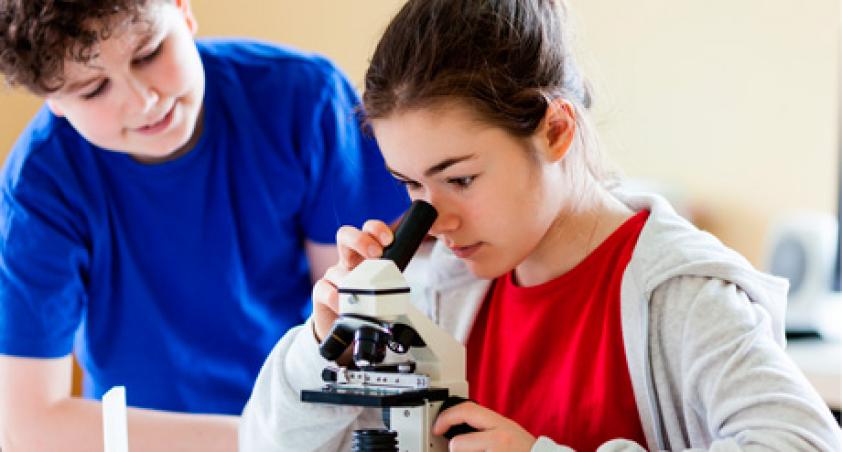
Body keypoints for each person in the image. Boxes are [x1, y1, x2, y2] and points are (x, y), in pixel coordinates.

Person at [239, 0, 842, 450]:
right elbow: (267, 444)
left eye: (461, 179)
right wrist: (323, 351)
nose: (435, 219)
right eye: (412, 185)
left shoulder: (681, 297)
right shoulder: (443, 289)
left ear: (556, 130)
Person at [0, 0, 408, 450]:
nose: (143, 101)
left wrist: (291, 432)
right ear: (52, 98)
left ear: (182, 10)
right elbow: (31, 421)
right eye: (94, 89)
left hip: (304, 420)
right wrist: (262, 441)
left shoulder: (303, 99)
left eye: (149, 53)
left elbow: (348, 324)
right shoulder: (39, 187)